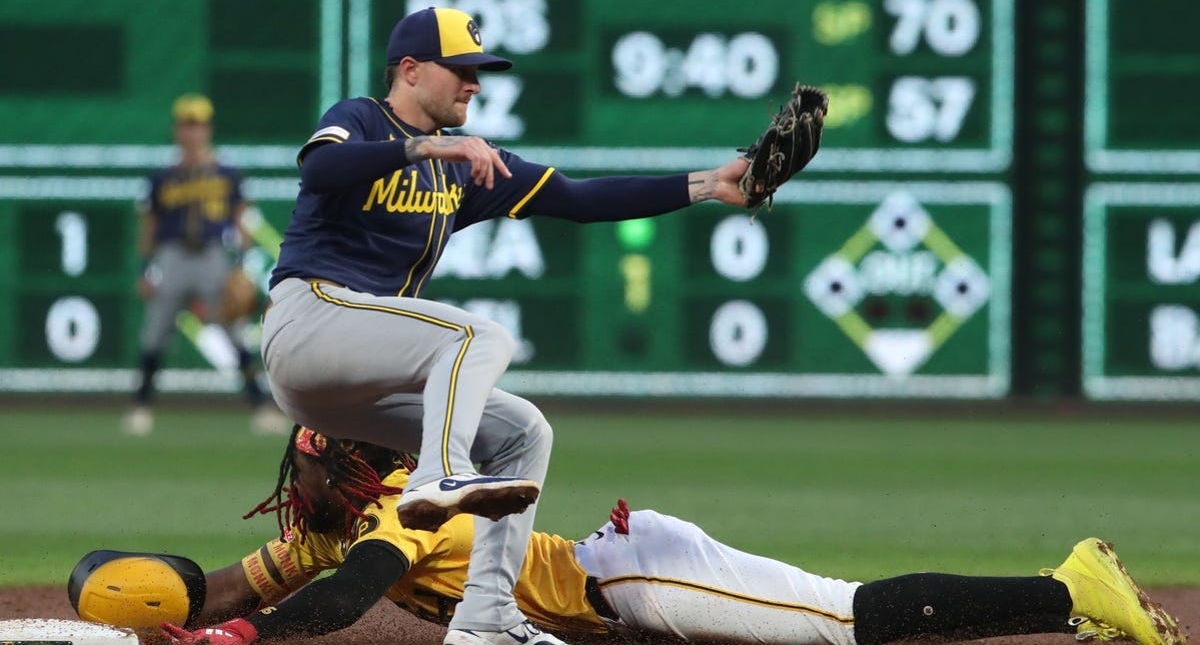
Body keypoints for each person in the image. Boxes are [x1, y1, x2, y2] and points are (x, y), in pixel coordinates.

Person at [258, 6, 765, 645]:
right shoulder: (361, 118)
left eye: (479, 72)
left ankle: (485, 619)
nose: (474, 83)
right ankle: (438, 475)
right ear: (410, 71)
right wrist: (423, 145)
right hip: (309, 320)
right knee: (478, 335)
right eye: (461, 70)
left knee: (524, 431)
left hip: (343, 384)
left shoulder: (469, 167)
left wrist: (709, 184)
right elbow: (318, 169)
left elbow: (579, 199)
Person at [82, 427, 1183, 645]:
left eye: (314, 454)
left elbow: (333, 603)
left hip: (642, 581)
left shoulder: (406, 497)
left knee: (844, 618)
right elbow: (235, 581)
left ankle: (1070, 585)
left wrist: (247, 642)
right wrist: (156, 599)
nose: (301, 468)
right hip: (605, 611)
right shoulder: (318, 526)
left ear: (350, 465)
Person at [125, 93, 290, 437]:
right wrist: (145, 268)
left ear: (207, 129)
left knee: (234, 335)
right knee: (155, 333)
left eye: (198, 125)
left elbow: (242, 219)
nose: (192, 132)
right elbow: (150, 225)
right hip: (172, 257)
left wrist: (242, 264)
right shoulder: (163, 176)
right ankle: (140, 407)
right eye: (187, 125)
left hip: (213, 256)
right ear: (177, 131)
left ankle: (259, 407)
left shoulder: (227, 173)